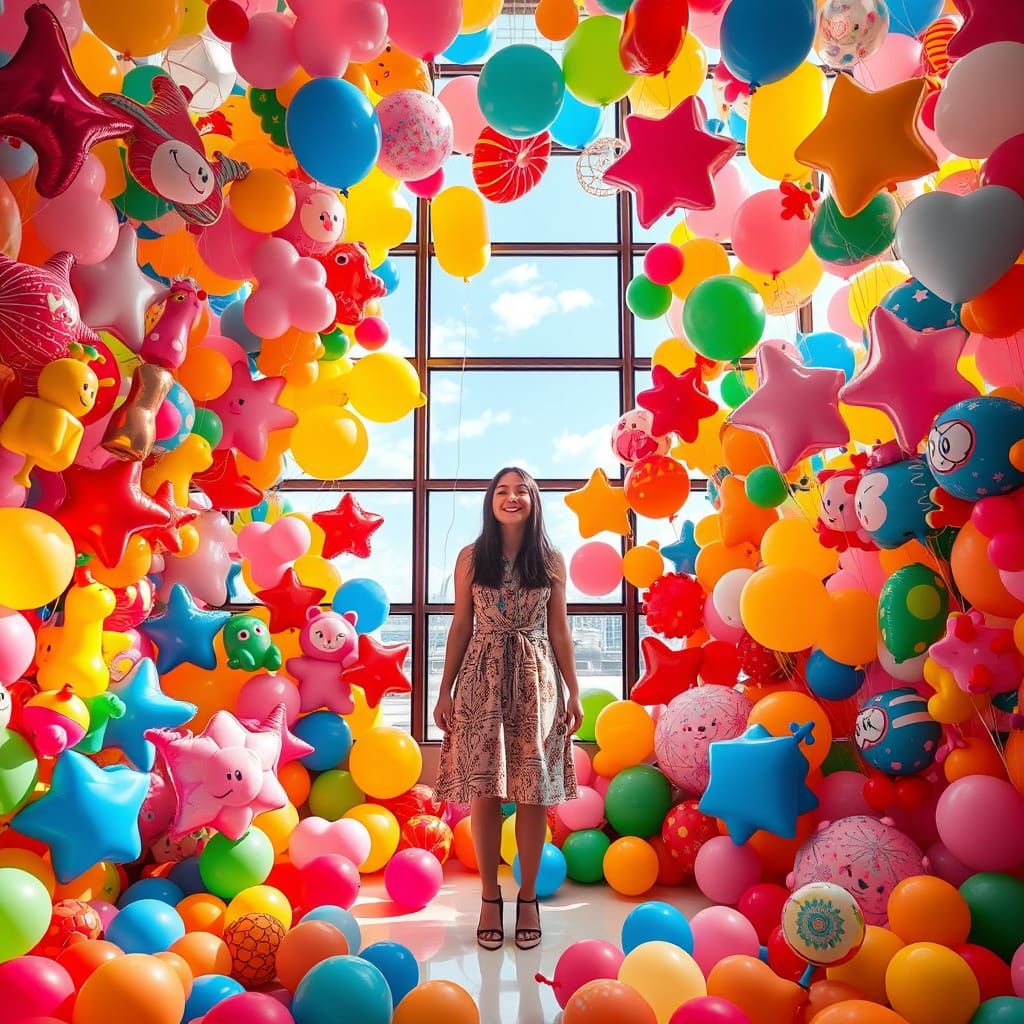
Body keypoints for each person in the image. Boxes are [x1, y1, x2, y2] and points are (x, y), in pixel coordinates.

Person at [433, 467, 583, 951]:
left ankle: (529, 897)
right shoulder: (472, 557)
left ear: (534, 501)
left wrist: (573, 690)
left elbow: (560, 630)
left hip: (536, 678)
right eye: (501, 491)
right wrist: (444, 689)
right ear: (490, 501)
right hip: (482, 676)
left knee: (533, 791)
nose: (511, 497)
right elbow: (459, 626)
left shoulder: (551, 558)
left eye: (521, 490)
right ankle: (489, 897)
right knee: (486, 790)